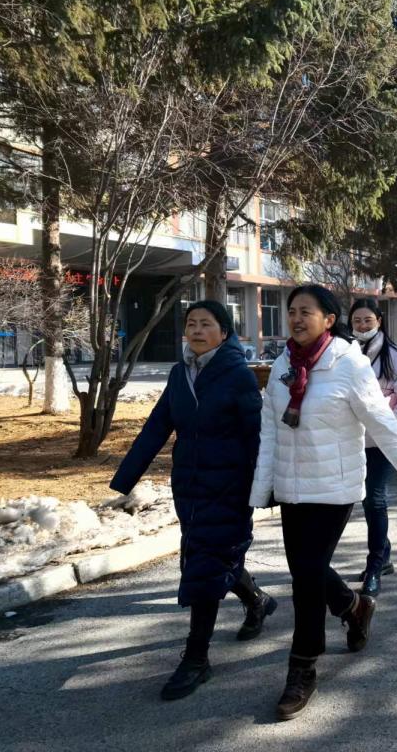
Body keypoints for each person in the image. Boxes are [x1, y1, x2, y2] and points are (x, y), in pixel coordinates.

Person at [250, 284, 397, 722]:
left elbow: (383, 422)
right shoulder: (283, 364)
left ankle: (302, 667)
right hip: (291, 487)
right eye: (292, 311)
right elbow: (270, 431)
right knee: (308, 569)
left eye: (306, 311)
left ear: (329, 319)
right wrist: (262, 487)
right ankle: (354, 607)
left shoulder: (348, 363)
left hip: (334, 487)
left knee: (306, 576)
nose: (296, 318)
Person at [110, 300, 268, 702]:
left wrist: (264, 487)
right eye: (191, 324)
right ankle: (257, 600)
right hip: (190, 485)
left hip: (230, 486)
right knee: (209, 556)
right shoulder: (180, 373)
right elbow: (158, 425)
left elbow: (256, 435)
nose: (196, 330)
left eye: (206, 324)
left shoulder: (237, 375)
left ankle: (197, 658)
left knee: (205, 563)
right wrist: (126, 478)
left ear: (225, 333)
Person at [349, 299, 397, 598]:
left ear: (379, 321)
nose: (362, 325)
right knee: (363, 499)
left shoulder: (393, 356)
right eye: (357, 321)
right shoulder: (346, 352)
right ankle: (385, 554)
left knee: (375, 499)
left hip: (382, 441)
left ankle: (375, 564)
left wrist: (386, 425)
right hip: (352, 440)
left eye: (367, 320)